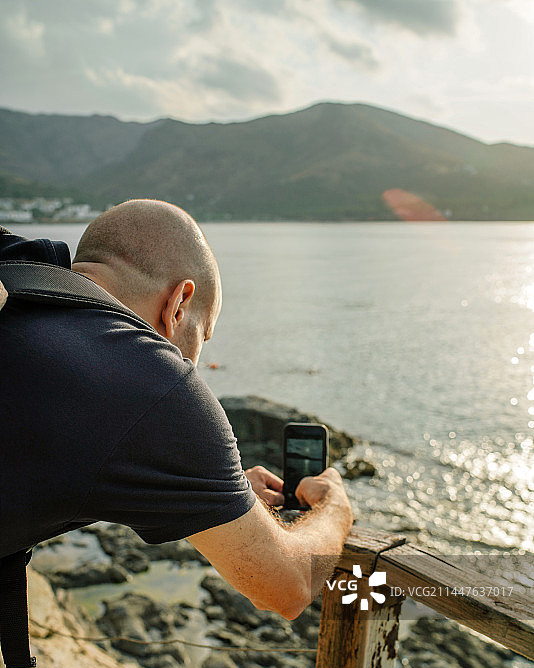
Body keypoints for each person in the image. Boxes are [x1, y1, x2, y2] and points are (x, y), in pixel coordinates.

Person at [1, 200, 353, 620]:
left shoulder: (17, 271)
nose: (195, 363)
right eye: (204, 335)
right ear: (179, 304)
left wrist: (213, 497)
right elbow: (288, 587)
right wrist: (336, 509)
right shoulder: (152, 381)